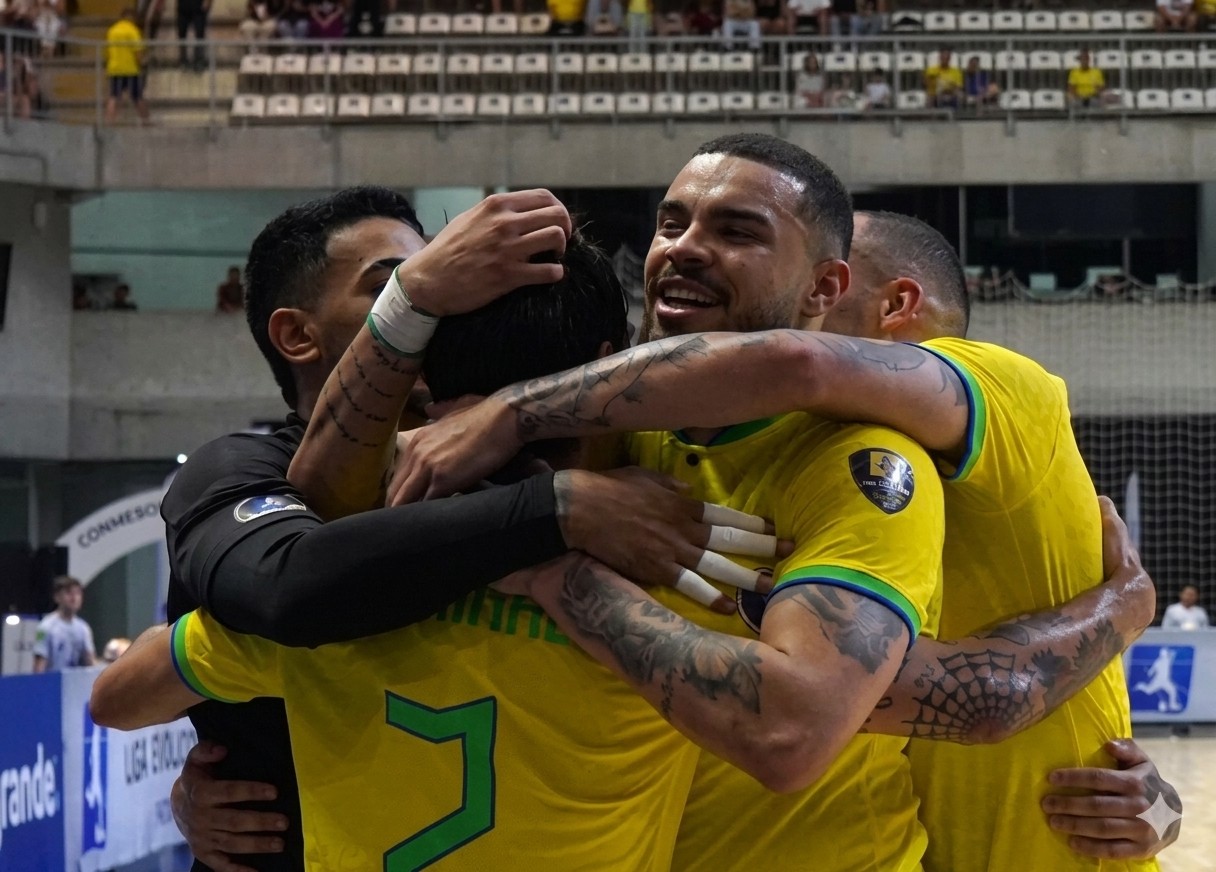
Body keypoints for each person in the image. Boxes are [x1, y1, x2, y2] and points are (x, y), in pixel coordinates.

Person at [97, 184, 1154, 870]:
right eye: (671, 228)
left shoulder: (392, 539)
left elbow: (131, 686)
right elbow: (897, 705)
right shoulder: (661, 547)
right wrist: (1119, 609)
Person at [390, 188, 1181, 866]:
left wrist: (1126, 611)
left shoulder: (996, 390)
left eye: (820, 284)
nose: (795, 303)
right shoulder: (673, 446)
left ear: (891, 307)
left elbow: (797, 363)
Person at [94, 186, 760, 872]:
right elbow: (291, 582)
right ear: (299, 334)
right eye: (400, 285)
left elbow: (128, 688)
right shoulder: (249, 474)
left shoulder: (633, 502)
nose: (449, 292)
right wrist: (556, 509)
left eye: (453, 271)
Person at [32, 575, 97, 672]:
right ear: (57, 597)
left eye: (77, 593)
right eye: (68, 593)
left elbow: (90, 661)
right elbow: (39, 666)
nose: (74, 598)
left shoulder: (83, 628)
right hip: (54, 679)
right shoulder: (45, 627)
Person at [104, 8, 150, 124]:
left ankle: (108, 121)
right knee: (137, 97)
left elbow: (108, 51)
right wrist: (142, 64)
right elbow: (138, 52)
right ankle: (146, 120)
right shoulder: (133, 31)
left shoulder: (112, 30)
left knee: (114, 96)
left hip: (115, 69)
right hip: (130, 70)